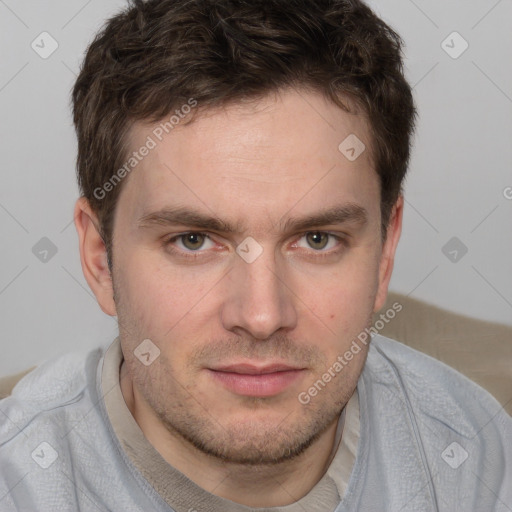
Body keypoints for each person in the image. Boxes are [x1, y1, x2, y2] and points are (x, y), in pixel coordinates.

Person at [1, 0, 511, 510]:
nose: (262, 315)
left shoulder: (476, 461)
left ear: (384, 252)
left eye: (317, 239)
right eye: (193, 241)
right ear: (99, 259)